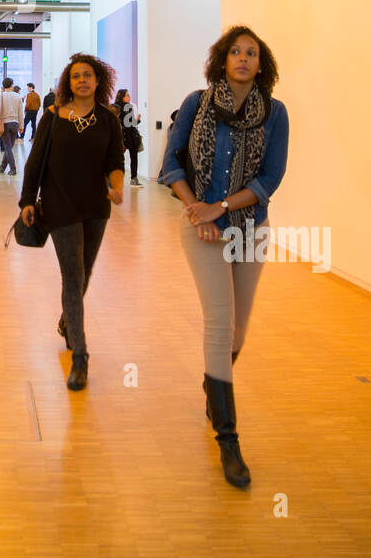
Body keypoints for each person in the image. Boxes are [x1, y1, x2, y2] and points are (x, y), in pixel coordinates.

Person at [162, 26, 289, 490]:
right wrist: (198, 208)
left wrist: (222, 207)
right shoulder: (197, 102)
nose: (242, 58)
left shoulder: (274, 114)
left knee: (238, 328)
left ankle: (212, 386)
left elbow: (269, 178)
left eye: (251, 53)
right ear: (221, 59)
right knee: (219, 322)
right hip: (201, 228)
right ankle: (229, 439)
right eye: (235, 51)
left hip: (249, 226)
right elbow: (171, 162)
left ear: (261, 63)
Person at [19, 54, 124, 391]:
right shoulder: (53, 117)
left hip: (96, 207)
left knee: (85, 275)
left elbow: (114, 160)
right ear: (68, 82)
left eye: (88, 76)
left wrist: (118, 186)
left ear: (98, 81)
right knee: (73, 276)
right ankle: (80, 356)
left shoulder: (108, 119)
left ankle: (68, 320)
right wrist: (26, 201)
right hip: (59, 206)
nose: (82, 81)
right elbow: (35, 162)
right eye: (76, 76)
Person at [114, 88, 142, 186]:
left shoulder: (116, 107)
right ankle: (134, 178)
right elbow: (129, 123)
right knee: (133, 157)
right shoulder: (128, 107)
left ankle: (115, 180)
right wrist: (137, 120)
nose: (129, 97)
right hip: (129, 135)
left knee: (118, 158)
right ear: (122, 97)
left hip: (121, 135)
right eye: (127, 95)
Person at [0, 77, 23, 174]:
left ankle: (13, 168)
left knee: (7, 147)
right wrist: (21, 126)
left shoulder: (1, 96)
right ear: (12, 85)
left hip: (5, 124)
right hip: (15, 124)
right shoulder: (18, 96)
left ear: (3, 85)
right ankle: (2, 167)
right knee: (9, 147)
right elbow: (20, 113)